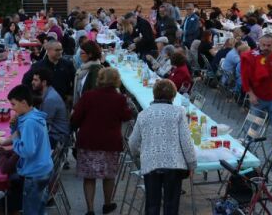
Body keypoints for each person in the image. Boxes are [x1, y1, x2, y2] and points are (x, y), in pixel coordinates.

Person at [71, 68, 134, 215]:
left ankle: (90, 209)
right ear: (116, 80)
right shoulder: (119, 99)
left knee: (89, 176)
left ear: (99, 80)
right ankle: (107, 204)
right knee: (108, 175)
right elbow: (126, 117)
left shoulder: (88, 96)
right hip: (110, 142)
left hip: (88, 141)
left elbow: (76, 118)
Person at [128, 79, 197, 215]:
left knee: (152, 204)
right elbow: (186, 141)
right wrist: (192, 164)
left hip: (151, 163)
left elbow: (132, 143)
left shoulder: (143, 114)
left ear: (154, 94)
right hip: (173, 164)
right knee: (171, 205)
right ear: (173, 95)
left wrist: (139, 155)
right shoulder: (178, 112)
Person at [7, 84, 54, 215]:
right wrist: (15, 126)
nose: (12, 108)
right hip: (44, 168)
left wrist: (15, 139)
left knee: (31, 210)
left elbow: (27, 151)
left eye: (14, 104)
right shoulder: (34, 114)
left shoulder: (29, 123)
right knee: (39, 206)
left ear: (23, 102)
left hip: (34, 173)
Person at [240, 35, 272, 151]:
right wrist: (250, 94)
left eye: (269, 45)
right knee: (253, 129)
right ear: (259, 44)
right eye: (263, 45)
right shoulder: (252, 57)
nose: (265, 47)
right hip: (258, 99)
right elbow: (245, 78)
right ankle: (247, 154)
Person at [23, 37, 77, 105]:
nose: (60, 52)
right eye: (57, 50)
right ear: (48, 51)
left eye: (61, 50)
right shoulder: (38, 66)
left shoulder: (67, 64)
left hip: (63, 101)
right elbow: (25, 81)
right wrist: (35, 97)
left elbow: (75, 80)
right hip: (44, 102)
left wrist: (71, 94)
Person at [31, 68, 70, 149]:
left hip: (57, 139)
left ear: (44, 82)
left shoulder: (50, 99)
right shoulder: (48, 93)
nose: (32, 82)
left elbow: (42, 126)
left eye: (35, 80)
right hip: (54, 134)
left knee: (27, 140)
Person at [73, 40, 104, 105]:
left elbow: (94, 96)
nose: (80, 55)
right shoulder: (83, 68)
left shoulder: (96, 71)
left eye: (82, 53)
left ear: (90, 54)